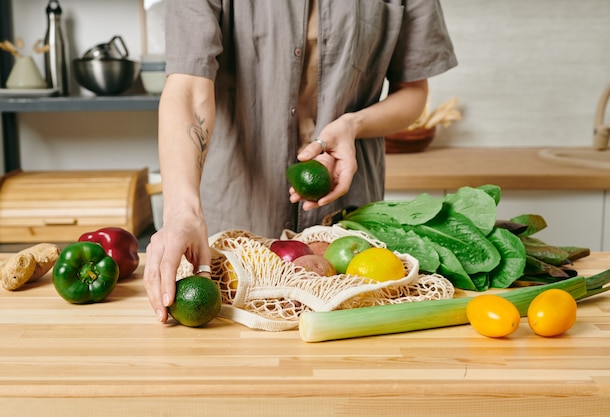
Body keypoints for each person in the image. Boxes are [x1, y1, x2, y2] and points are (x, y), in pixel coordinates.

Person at [144, 0, 458, 322]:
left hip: (349, 226)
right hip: (233, 228)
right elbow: (189, 86)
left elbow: (413, 93)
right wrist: (182, 212)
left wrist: (353, 125)